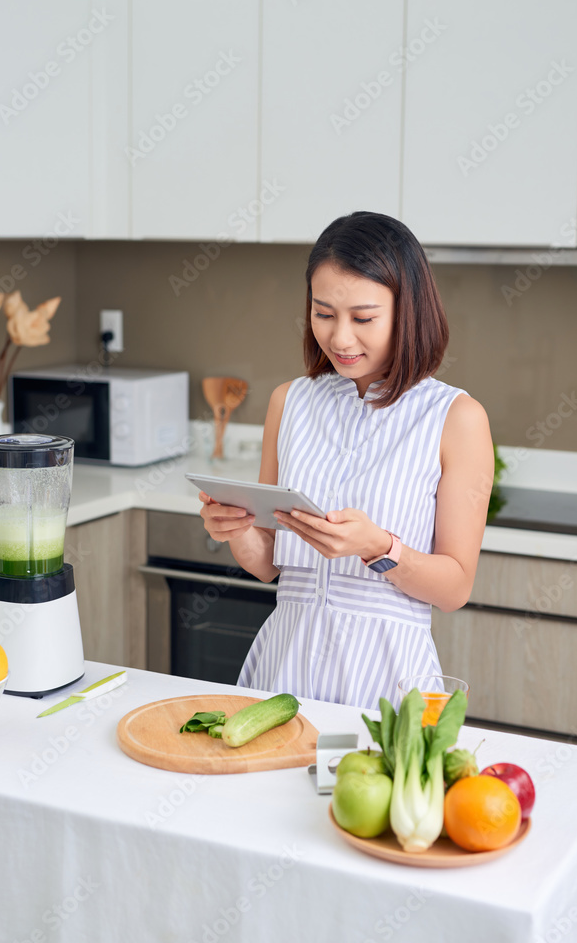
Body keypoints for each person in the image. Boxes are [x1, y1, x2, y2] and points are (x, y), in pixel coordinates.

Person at [199, 211, 494, 710]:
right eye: (323, 313)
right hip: (283, 670)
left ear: (409, 311)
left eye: (363, 318)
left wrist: (377, 547)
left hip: (388, 682)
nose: (339, 338)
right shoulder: (288, 402)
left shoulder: (456, 417)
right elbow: (271, 566)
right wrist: (238, 530)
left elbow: (454, 587)